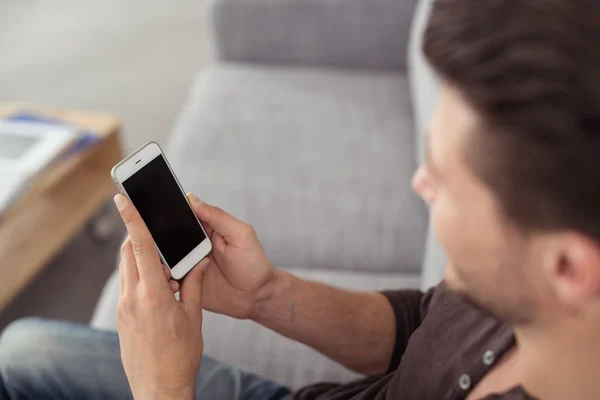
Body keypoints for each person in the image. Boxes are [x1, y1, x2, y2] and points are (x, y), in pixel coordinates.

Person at [1, 0, 599, 398]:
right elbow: (422, 328)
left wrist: (163, 385)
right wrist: (268, 296)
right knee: (24, 352)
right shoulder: (517, 272)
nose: (420, 183)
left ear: (567, 268)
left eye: (444, 181)